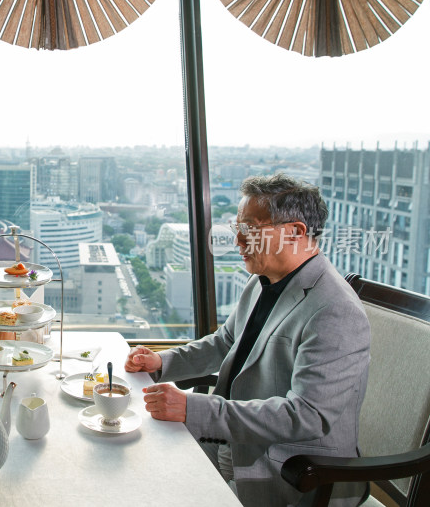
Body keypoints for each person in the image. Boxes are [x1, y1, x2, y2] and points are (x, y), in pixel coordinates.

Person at [125, 173, 370, 507]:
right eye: (237, 227)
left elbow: (306, 417)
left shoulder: (335, 311)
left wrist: (192, 407)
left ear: (296, 232)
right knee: (132, 464)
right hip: (229, 442)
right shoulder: (262, 280)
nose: (239, 241)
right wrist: (162, 362)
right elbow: (226, 342)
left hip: (290, 472)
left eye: (250, 229)